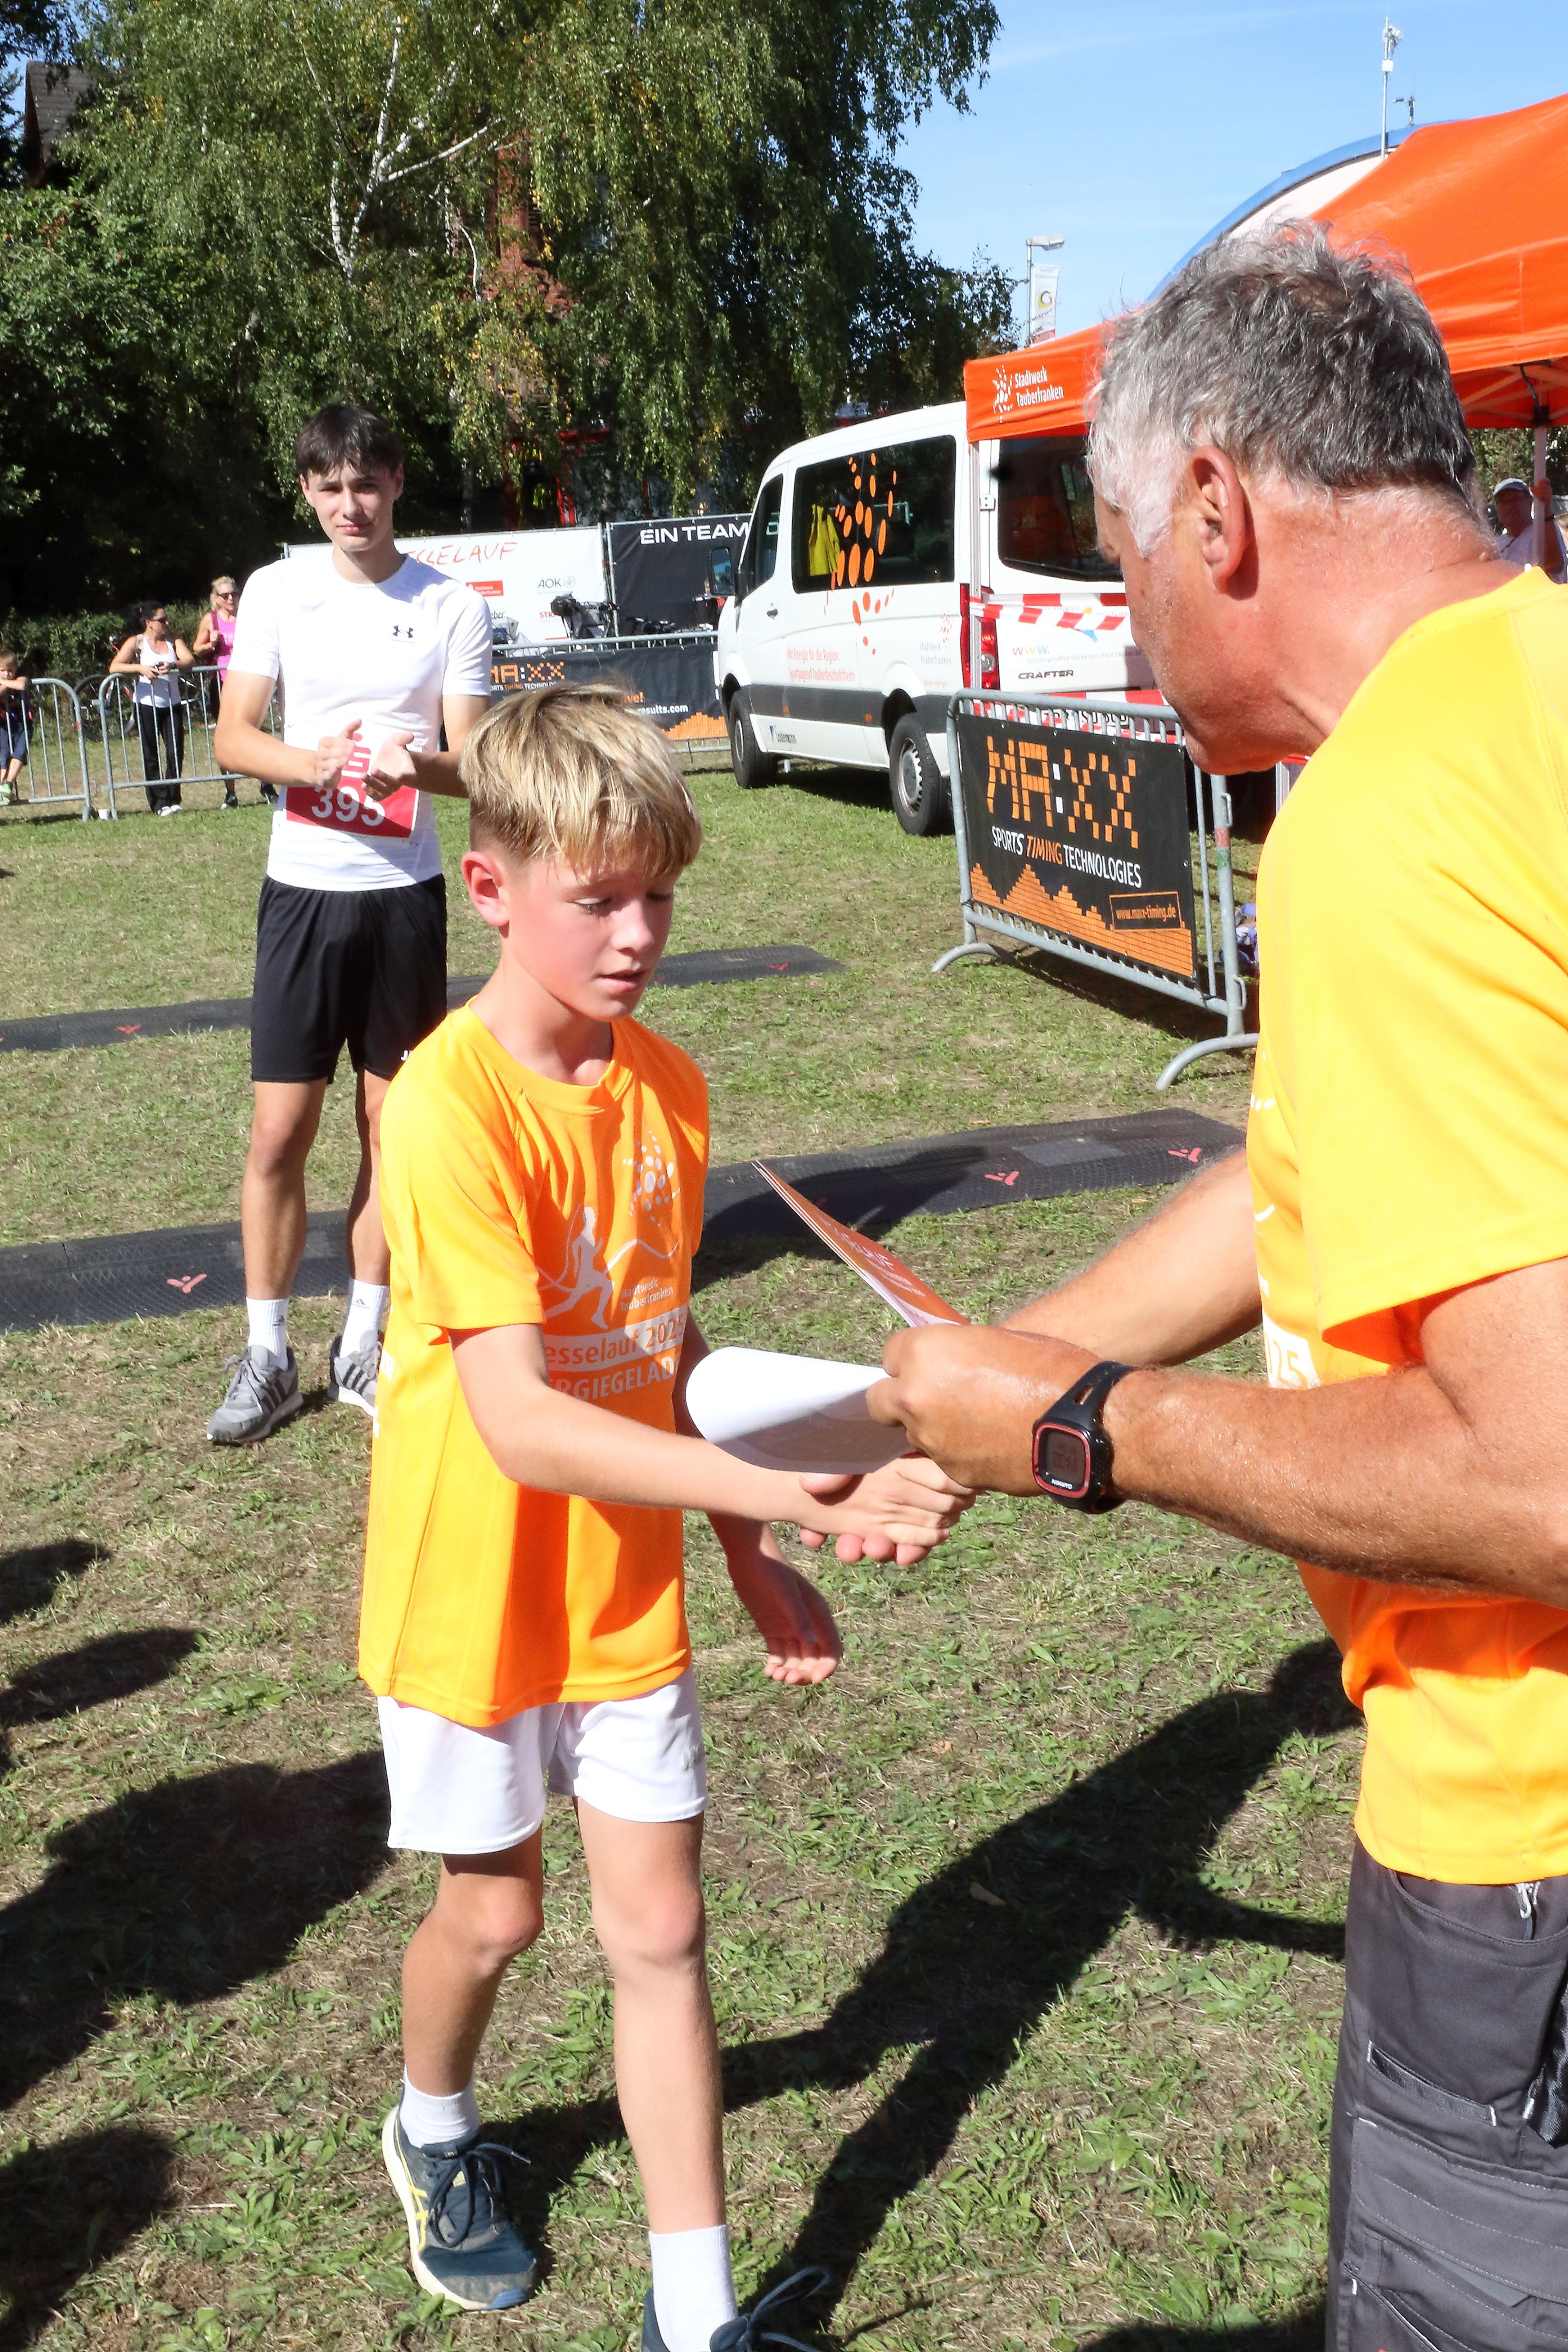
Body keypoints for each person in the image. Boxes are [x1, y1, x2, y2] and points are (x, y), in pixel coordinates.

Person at [864, 225, 1568, 2347]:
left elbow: (1540, 1476)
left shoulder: (1390, 809)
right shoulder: (1529, 689)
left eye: (1115, 566)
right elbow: (1336, 1168)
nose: (1124, 622)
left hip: (1522, 1835)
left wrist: (1083, 1431)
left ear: (1212, 511)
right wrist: (1014, 1364)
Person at [360, 681, 970, 2326]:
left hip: (625, 1596)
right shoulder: (446, 1107)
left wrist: (750, 1551)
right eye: (598, 901)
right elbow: (522, 1422)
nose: (637, 936)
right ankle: (433, 2128)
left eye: (659, 898)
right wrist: (792, 1490)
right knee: (493, 1914)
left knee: (663, 1934)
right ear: (489, 888)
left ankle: (694, 2317)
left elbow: (659, 1337)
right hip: (471, 1596)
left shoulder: (669, 1089)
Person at [208, 402, 494, 1445]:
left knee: (391, 1127)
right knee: (279, 1132)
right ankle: (269, 1355)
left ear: (397, 483)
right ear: (306, 492)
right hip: (302, 894)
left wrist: (414, 767)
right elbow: (233, 736)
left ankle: (366, 1341)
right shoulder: (277, 590)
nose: (350, 505)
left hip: (403, 900)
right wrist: (310, 764)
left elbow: (476, 765)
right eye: (329, 487)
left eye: (366, 484)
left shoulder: (452, 605)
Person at [109, 602, 195, 813]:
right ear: (149, 623)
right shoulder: (136, 642)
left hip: (173, 705)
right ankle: (159, 803)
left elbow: (190, 660)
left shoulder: (173, 640)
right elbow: (115, 666)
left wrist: (173, 665)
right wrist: (141, 669)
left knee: (176, 753)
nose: (167, 623)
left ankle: (173, 799)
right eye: (162, 620)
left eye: (166, 619)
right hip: (146, 705)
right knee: (151, 755)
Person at [193, 576, 245, 807]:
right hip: (221, 682)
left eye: (234, 593)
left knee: (253, 732)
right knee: (225, 736)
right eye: (226, 595)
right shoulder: (211, 620)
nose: (231, 598)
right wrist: (210, 644)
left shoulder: (246, 616)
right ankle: (230, 792)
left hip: (245, 681)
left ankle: (266, 785)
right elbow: (197, 648)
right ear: (217, 599)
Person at [1492, 475, 1566, 581]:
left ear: (1530, 501)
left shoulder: (1544, 531)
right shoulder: (1496, 545)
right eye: (1503, 502)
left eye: (1516, 499)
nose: (1509, 506)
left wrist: (1546, 509)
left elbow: (1554, 566)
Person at [0, 651, 29, 804]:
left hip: (23, 722)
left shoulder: (21, 675)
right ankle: (2, 788)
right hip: (4, 725)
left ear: (16, 669)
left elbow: (21, 685)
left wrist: (3, 683)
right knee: (4, 756)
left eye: (10, 671)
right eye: (2, 671)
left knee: (20, 753)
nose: (7, 674)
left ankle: (8, 784)